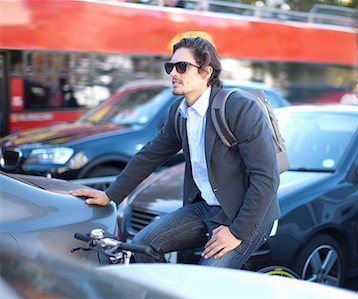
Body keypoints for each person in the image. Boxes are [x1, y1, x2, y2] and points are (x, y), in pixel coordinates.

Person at [71, 36, 280, 269]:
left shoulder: (238, 107)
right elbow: (151, 154)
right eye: (170, 67)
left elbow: (266, 177)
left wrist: (237, 232)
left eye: (181, 67)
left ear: (205, 72)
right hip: (205, 208)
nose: (172, 73)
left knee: (204, 283)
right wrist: (111, 195)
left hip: (245, 214)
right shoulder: (179, 113)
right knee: (144, 244)